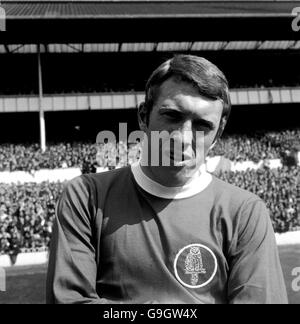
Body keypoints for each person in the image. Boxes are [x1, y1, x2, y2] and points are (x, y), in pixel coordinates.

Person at [46, 55, 288, 304]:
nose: (183, 138)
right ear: (143, 117)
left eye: (202, 126)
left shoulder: (245, 212)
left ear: (217, 136)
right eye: (172, 116)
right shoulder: (86, 197)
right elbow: (68, 301)